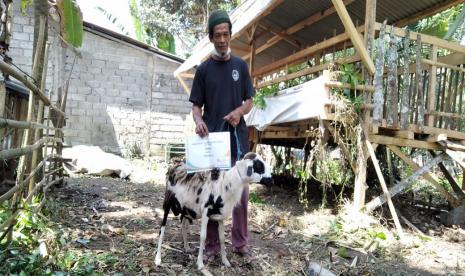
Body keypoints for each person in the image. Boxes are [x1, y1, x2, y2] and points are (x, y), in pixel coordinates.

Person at [188, 9, 255, 262]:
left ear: (230, 35)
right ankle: (213, 245)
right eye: (218, 35)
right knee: (213, 193)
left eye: (226, 34)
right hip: (213, 143)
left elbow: (249, 101)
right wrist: (198, 121)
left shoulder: (240, 66)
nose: (223, 39)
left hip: (236, 139)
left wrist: (239, 111)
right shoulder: (203, 70)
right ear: (210, 37)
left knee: (240, 194)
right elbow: (196, 106)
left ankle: (240, 243)